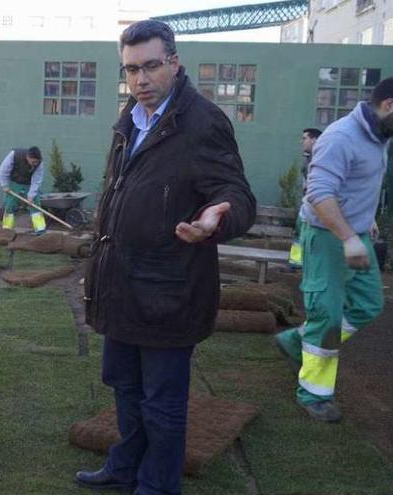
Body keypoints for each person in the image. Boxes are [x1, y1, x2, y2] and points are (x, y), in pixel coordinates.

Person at [78, 20, 256, 495]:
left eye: (151, 66)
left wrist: (219, 216)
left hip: (168, 293)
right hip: (120, 287)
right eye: (131, 69)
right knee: (126, 388)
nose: (140, 80)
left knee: (162, 402)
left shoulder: (202, 122)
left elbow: (235, 193)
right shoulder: (129, 120)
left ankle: (157, 486)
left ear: (174, 63)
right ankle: (124, 468)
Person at [274, 77, 393, 422]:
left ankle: (298, 342)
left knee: (368, 303)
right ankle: (314, 393)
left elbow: (357, 185)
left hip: (355, 233)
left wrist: (365, 221)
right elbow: (320, 193)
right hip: (328, 236)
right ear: (388, 105)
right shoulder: (341, 138)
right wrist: (348, 238)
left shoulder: (379, 135)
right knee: (325, 314)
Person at [289, 127, 323, 269]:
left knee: (313, 238)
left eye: (304, 138)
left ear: (314, 139)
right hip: (306, 206)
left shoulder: (322, 157)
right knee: (298, 235)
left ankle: (311, 266)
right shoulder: (308, 158)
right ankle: (296, 263)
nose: (301, 141)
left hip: (317, 209)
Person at [0, 146, 47, 234]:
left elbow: (37, 180)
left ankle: (40, 230)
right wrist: (4, 185)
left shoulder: (39, 164)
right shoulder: (14, 155)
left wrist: (31, 195)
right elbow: (3, 170)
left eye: (37, 162)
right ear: (28, 157)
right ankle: (7, 229)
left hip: (29, 184)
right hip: (14, 183)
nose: (35, 164)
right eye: (33, 162)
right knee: (9, 205)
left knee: (35, 205)